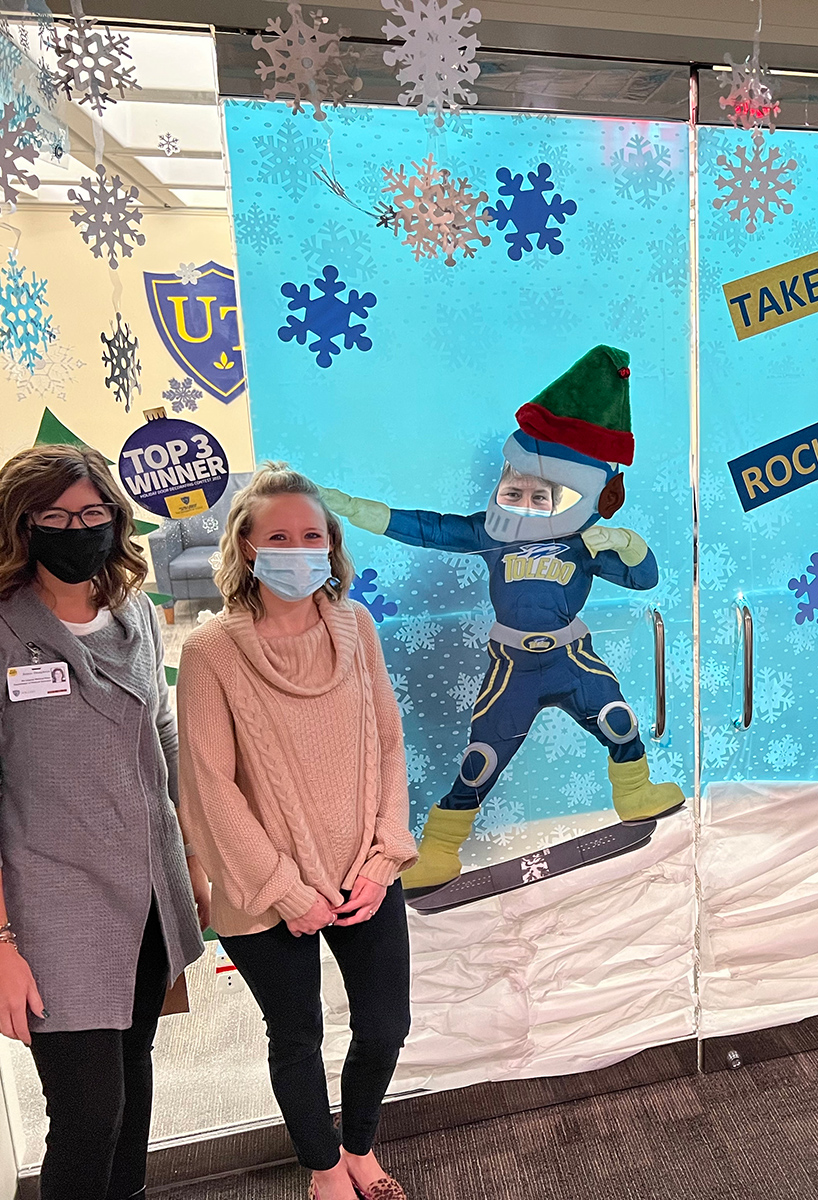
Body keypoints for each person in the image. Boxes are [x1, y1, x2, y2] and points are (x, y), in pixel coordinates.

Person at [0, 444, 205, 1200]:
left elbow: (163, 735)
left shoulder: (135, 613)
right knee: (89, 1115)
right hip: (48, 913)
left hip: (147, 894)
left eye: (92, 514)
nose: (76, 529)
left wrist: (197, 864)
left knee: (135, 1080)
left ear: (115, 520)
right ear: (19, 527)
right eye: (53, 517)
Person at [323, 345, 684, 893]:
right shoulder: (491, 533)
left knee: (619, 721)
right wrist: (353, 509)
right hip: (512, 666)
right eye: (514, 487)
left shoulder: (584, 541)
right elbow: (428, 527)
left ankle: (634, 792)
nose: (523, 500)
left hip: (571, 657)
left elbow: (645, 578)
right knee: (481, 758)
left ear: (589, 496)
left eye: (544, 493)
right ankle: (441, 847)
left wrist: (626, 543)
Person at [175, 463, 418, 1200]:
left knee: (384, 1026)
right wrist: (284, 890)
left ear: (331, 545)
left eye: (312, 535)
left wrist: (383, 857)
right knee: (298, 1036)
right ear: (247, 548)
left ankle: (359, 1145)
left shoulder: (357, 627)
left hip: (363, 871)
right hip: (264, 887)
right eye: (279, 535)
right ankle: (323, 1170)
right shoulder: (210, 652)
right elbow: (209, 788)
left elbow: (388, 744)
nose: (298, 547)